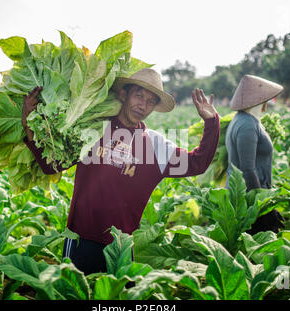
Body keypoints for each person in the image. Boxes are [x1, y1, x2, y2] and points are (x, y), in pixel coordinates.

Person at [22, 68, 220, 275]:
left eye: (151, 101)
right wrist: (28, 121)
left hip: (121, 248)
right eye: (139, 95)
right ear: (124, 94)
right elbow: (51, 165)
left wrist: (211, 122)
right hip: (80, 241)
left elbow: (197, 163)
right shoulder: (92, 130)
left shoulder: (156, 145)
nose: (143, 105)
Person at [225, 74, 285, 235]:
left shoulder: (245, 120)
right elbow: (248, 169)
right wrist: (262, 209)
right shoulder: (247, 125)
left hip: (248, 195)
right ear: (260, 100)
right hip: (248, 198)